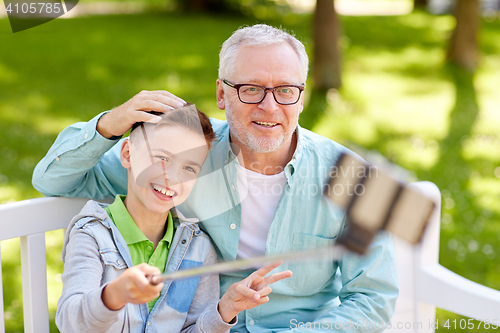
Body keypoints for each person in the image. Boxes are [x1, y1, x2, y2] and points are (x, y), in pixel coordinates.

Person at [34, 24, 398, 332]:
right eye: (251, 89)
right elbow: (53, 180)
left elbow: (374, 299)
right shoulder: (185, 157)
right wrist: (108, 125)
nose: (270, 107)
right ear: (222, 95)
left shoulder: (355, 177)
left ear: (301, 98)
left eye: (286, 90)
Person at [55, 104, 292, 332]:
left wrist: (224, 309)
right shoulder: (91, 234)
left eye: (189, 168)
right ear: (127, 154)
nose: (172, 178)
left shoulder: (197, 249)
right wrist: (114, 294)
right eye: (162, 158)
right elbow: (70, 323)